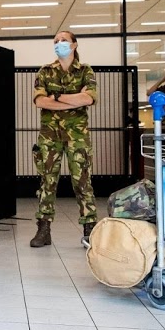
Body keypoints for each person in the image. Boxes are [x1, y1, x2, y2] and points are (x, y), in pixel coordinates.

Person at [31, 30, 99, 248]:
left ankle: (90, 230)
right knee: (47, 182)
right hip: (50, 136)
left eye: (64, 40)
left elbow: (88, 99)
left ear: (75, 45)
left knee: (82, 183)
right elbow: (40, 102)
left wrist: (58, 97)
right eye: (56, 41)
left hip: (77, 137)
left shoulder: (85, 71)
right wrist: (73, 101)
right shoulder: (45, 71)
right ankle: (43, 229)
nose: (59, 43)